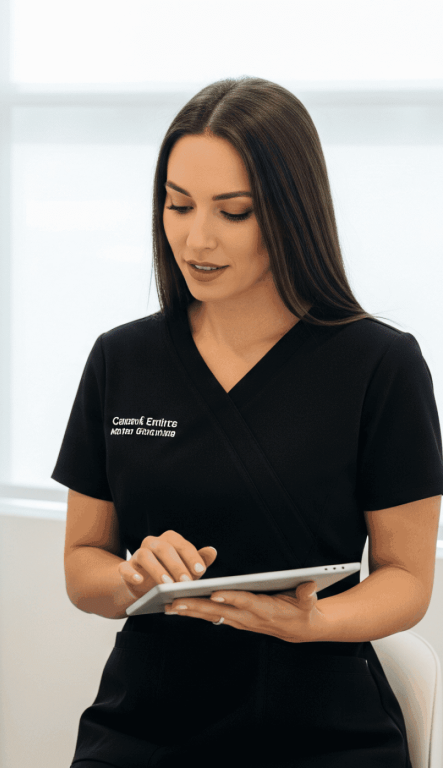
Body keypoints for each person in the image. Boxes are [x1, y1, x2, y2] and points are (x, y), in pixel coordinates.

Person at [52, 77, 443, 768]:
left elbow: (407, 578)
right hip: (146, 723)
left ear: (292, 213)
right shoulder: (122, 359)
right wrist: (132, 580)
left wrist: (314, 620)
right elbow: (85, 568)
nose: (195, 237)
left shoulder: (380, 366)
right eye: (178, 205)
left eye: (232, 212)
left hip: (321, 726)